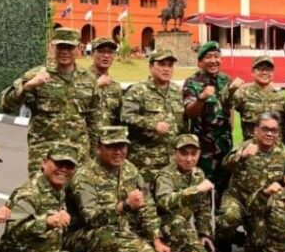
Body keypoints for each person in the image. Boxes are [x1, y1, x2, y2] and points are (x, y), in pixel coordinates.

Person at [65, 127, 172, 252]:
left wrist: (156, 239)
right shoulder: (84, 176)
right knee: (104, 234)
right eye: (111, 146)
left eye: (122, 146)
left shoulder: (129, 169)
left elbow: (146, 205)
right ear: (99, 148)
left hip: (119, 233)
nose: (118, 151)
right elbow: (91, 218)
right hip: (82, 236)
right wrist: (124, 206)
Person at [0, 27, 101, 174]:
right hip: (44, 153)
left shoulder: (89, 80)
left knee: (75, 196)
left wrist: (93, 156)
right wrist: (28, 86)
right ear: (52, 47)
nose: (64, 51)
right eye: (60, 47)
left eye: (69, 47)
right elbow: (6, 105)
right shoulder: (37, 74)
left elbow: (94, 121)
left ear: (79, 48)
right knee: (42, 195)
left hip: (78, 154)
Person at [215, 112, 285, 252]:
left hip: (259, 206)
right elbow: (224, 165)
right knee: (228, 217)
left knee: (257, 249)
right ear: (256, 130)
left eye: (274, 130)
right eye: (265, 129)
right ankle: (223, 250)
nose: (269, 133)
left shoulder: (282, 154)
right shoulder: (245, 146)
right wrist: (241, 156)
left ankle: (242, 238)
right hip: (238, 199)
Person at [182, 41, 243, 204]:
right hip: (203, 146)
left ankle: (221, 225)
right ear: (200, 61)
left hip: (224, 144)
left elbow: (229, 108)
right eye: (208, 57)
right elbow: (190, 112)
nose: (213, 60)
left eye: (217, 56)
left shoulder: (225, 80)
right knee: (202, 188)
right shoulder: (192, 82)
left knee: (224, 185)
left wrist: (231, 127)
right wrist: (201, 98)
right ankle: (203, 226)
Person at [153, 135, 218, 252]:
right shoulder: (165, 176)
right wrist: (196, 189)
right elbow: (164, 202)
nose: (189, 159)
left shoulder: (198, 174)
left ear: (199, 154)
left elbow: (203, 208)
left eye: (193, 154)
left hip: (182, 230)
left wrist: (204, 234)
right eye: (184, 153)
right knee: (177, 221)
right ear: (174, 153)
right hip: (162, 228)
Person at [122, 49, 184, 180]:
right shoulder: (138, 90)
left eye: (170, 65)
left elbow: (181, 125)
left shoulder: (176, 92)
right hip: (145, 163)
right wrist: (152, 124)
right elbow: (126, 116)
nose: (166, 69)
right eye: (161, 64)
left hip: (171, 163)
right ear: (151, 66)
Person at [229, 55, 285, 137]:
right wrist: (231, 90)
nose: (265, 72)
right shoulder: (243, 93)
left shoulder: (280, 97)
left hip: (275, 148)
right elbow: (225, 104)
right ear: (252, 72)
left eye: (268, 70)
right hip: (251, 146)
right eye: (261, 69)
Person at [89, 36, 123, 139]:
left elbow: (119, 118)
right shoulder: (81, 79)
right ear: (92, 54)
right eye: (101, 51)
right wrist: (95, 85)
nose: (106, 56)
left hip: (107, 145)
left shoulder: (115, 86)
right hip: (85, 143)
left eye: (110, 52)